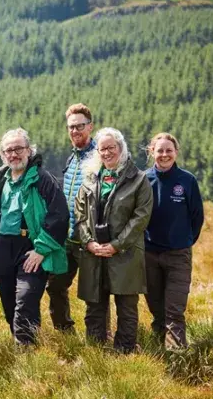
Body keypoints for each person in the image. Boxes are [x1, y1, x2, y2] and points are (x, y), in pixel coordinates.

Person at [0, 129, 69, 345]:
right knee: (9, 302)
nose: (13, 154)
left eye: (18, 149)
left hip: (31, 247)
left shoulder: (43, 180)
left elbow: (60, 215)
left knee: (25, 300)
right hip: (2, 248)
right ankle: (25, 342)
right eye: (8, 150)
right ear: (2, 154)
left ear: (29, 150)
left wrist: (41, 250)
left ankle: (26, 355)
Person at [75, 128, 153, 353]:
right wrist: (88, 242)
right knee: (94, 306)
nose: (107, 153)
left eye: (112, 148)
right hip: (94, 252)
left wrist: (117, 245)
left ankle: (125, 352)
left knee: (127, 307)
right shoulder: (90, 179)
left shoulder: (138, 180)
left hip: (126, 254)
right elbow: (80, 215)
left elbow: (141, 218)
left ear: (121, 149)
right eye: (102, 149)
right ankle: (96, 353)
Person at [144, 132, 204, 350]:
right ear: (152, 152)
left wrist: (185, 240)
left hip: (178, 255)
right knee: (157, 309)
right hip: (149, 254)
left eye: (169, 150)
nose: (164, 154)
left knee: (174, 311)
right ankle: (158, 350)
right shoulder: (143, 180)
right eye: (160, 150)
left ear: (176, 152)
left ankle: (177, 359)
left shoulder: (187, 181)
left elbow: (197, 216)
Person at [51, 103, 97, 332]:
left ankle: (96, 341)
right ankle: (64, 332)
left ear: (91, 126)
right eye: (71, 126)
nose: (75, 130)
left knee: (93, 294)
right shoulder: (72, 158)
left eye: (80, 126)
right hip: (67, 238)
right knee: (56, 285)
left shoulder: (100, 156)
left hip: (90, 240)